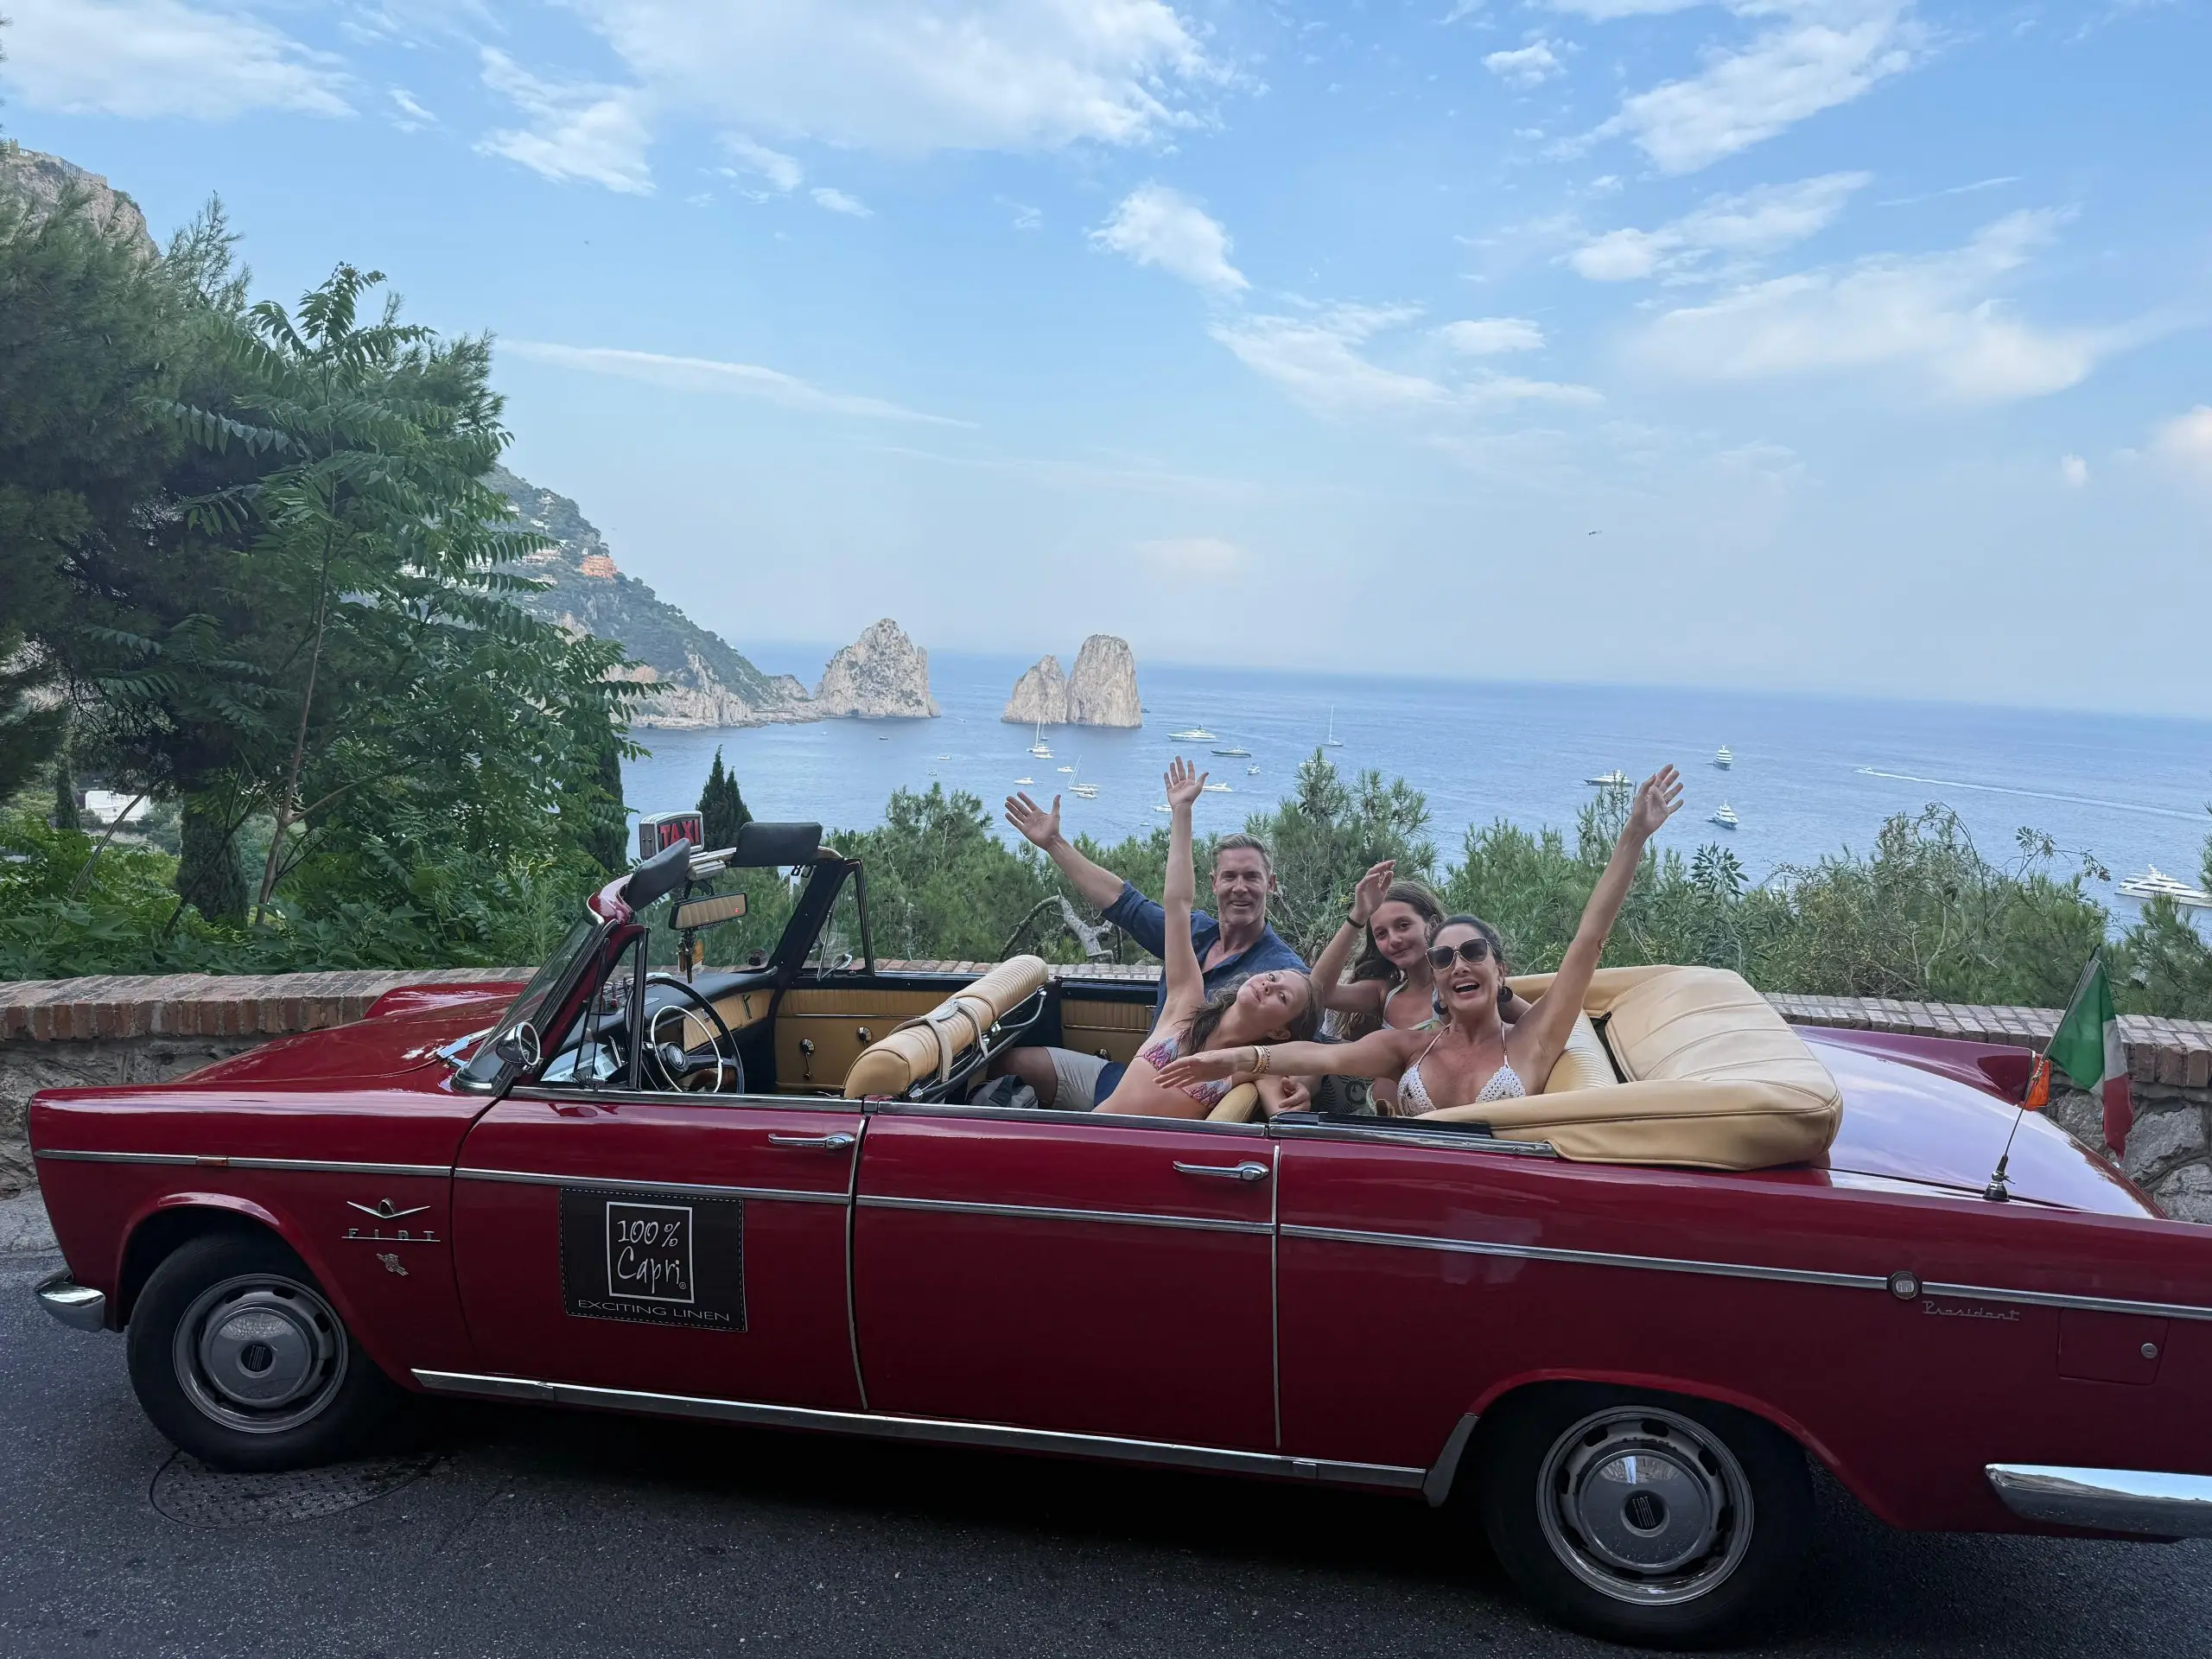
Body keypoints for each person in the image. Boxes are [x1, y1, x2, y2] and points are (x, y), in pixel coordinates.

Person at [1157, 766, 1682, 1114]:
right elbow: (1320, 1057)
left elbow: (1588, 941)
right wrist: (1233, 1059)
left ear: (1499, 969)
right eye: (1445, 957)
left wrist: (1633, 836)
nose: (1459, 965)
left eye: (1473, 952)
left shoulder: (1533, 1038)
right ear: (1436, 973)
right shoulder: (1407, 1045)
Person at [989, 781, 1306, 1109]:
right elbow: (1128, 904)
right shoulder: (1194, 940)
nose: (1240, 888)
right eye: (1230, 877)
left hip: (1158, 1119)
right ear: (1214, 883)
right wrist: (1054, 843)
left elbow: (1306, 1041)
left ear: (1270, 884)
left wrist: (1300, 1084)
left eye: (1252, 877)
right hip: (1129, 1077)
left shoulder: (1283, 972)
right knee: (1011, 1065)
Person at [1095, 758, 1321, 1118]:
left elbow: (1315, 1061)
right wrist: (1182, 812)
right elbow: (1177, 903)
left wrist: (1304, 1086)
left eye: (1282, 995)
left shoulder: (1250, 1066)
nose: (1268, 984)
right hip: (1089, 1140)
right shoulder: (1185, 1002)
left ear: (1279, 1032)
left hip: (1141, 1167)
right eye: (1274, 978)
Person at [1308, 861, 1531, 1111]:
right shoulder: (1386, 993)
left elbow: (1539, 1027)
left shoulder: (1465, 989)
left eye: (1403, 925)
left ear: (1433, 924)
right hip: (1377, 1119)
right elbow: (1319, 991)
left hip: (1434, 1125)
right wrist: (1358, 916)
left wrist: (1500, 993)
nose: (1394, 939)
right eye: (1381, 934)